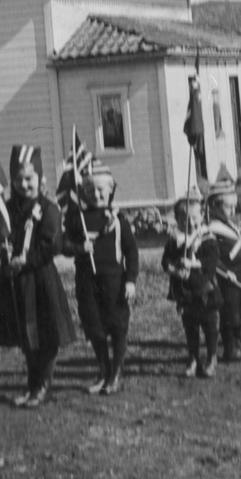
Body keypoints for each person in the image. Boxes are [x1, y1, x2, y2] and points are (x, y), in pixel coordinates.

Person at [0, 146, 76, 408]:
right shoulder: (8, 208)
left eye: (29, 179)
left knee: (46, 335)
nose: (24, 184)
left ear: (40, 178)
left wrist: (28, 259)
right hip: (15, 280)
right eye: (19, 180)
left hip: (39, 279)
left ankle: (43, 386)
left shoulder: (48, 208)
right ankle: (31, 385)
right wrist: (1, 249)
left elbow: (53, 245)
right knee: (27, 336)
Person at [61, 159, 139, 395]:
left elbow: (131, 251)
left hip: (114, 280)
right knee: (94, 327)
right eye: (90, 190)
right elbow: (63, 246)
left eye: (101, 190)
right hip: (86, 280)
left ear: (110, 190)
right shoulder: (77, 220)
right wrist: (78, 248)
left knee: (117, 326)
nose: (96, 194)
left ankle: (116, 373)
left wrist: (130, 280)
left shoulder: (117, 220)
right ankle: (103, 370)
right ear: (83, 192)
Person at [163, 187, 222, 378]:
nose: (189, 222)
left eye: (194, 218)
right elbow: (166, 261)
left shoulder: (207, 238)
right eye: (183, 218)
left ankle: (211, 358)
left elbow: (210, 264)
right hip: (184, 292)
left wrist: (192, 263)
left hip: (205, 291)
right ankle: (193, 358)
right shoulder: (175, 239)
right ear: (177, 219)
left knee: (209, 325)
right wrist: (172, 269)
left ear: (202, 217)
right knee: (190, 326)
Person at [206, 164, 241, 362]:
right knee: (229, 312)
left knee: (240, 309)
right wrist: (224, 271)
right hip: (227, 277)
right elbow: (213, 257)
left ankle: (238, 341)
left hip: (240, 273)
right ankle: (230, 348)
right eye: (229, 207)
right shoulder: (213, 229)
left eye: (234, 206)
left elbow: (237, 243)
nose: (233, 210)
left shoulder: (229, 224)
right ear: (215, 206)